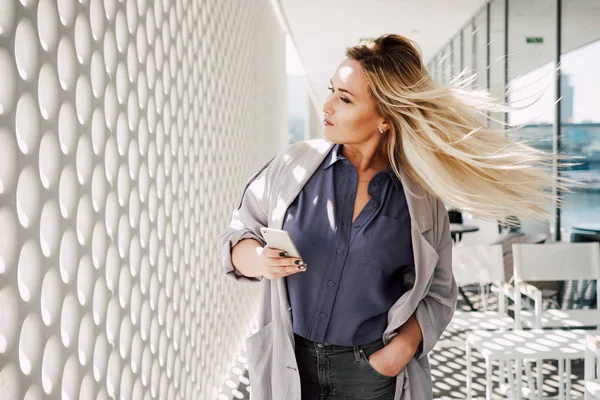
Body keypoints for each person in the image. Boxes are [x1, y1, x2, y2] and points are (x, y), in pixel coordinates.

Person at [220, 34, 570, 400]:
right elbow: (237, 233)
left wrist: (398, 352)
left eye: (344, 99)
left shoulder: (419, 200)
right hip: (288, 360)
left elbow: (439, 291)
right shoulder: (292, 168)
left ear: (384, 118)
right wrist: (258, 259)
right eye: (331, 91)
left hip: (371, 374)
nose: (327, 107)